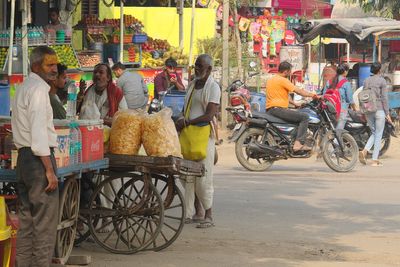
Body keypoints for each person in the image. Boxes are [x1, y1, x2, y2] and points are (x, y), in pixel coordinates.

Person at [11, 46, 59, 267]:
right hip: (38, 161)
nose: (55, 69)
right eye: (50, 65)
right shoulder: (39, 90)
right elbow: (39, 134)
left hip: (23, 159)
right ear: (36, 66)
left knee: (27, 221)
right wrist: (49, 170)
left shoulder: (23, 88)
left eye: (55, 65)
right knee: (44, 223)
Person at [176, 54, 220, 228]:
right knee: (186, 174)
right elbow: (186, 108)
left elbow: (210, 114)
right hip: (188, 136)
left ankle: (209, 214)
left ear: (209, 69)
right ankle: (196, 210)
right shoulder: (193, 85)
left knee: (203, 177)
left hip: (203, 137)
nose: (197, 69)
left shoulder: (213, 87)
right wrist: (181, 119)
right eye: (196, 66)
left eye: (201, 66)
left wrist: (188, 121)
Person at [266, 61, 319, 152]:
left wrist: (295, 104)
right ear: (286, 71)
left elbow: (283, 95)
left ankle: (291, 140)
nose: (290, 74)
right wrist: (312, 95)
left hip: (272, 109)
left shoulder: (272, 79)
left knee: (296, 117)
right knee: (304, 117)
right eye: (290, 71)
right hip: (278, 109)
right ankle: (298, 144)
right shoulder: (283, 80)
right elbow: (298, 90)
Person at [359, 63, 393, 167]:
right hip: (379, 110)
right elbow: (384, 98)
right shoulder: (382, 80)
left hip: (369, 109)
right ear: (379, 70)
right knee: (378, 134)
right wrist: (387, 113)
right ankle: (374, 160)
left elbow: (364, 96)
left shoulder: (366, 80)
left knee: (374, 133)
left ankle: (365, 151)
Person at [328, 63, 355, 130]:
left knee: (332, 129)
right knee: (338, 132)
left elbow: (324, 94)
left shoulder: (330, 81)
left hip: (329, 109)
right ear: (345, 71)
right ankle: (336, 140)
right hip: (341, 110)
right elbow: (350, 99)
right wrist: (355, 109)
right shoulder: (346, 83)